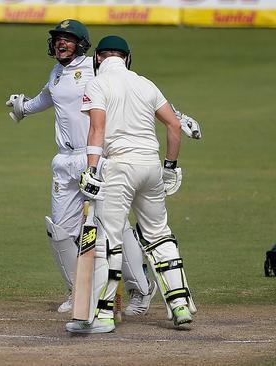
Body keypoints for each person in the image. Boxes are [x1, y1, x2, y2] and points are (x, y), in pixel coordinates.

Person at [5, 19, 201, 316]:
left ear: (83, 44)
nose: (61, 43)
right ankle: (78, 292)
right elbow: (49, 95)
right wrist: (25, 108)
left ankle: (141, 290)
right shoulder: (57, 72)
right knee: (61, 230)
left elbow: (130, 89)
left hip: (96, 156)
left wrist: (179, 117)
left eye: (68, 39)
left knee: (114, 227)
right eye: (58, 38)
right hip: (64, 161)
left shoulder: (96, 69)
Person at [73, 35, 197, 333]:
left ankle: (102, 316)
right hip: (151, 166)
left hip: (119, 168)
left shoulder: (98, 84)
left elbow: (97, 129)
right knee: (158, 234)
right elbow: (175, 126)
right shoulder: (145, 83)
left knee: (108, 238)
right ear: (127, 58)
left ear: (98, 58)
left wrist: (91, 170)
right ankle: (179, 305)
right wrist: (170, 167)